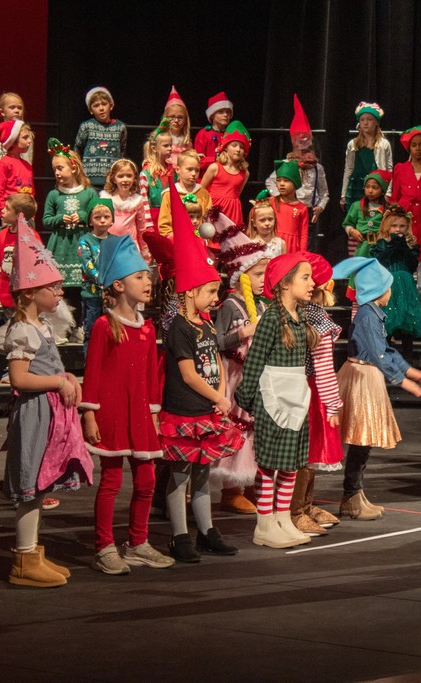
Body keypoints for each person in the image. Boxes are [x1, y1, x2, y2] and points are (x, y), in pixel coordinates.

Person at [0, 216, 92, 587]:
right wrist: (58, 380)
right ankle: (23, 560)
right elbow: (19, 378)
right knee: (29, 487)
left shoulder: (41, 327)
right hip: (33, 415)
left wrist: (65, 379)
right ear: (31, 292)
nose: (61, 293)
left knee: (40, 487)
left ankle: (33, 552)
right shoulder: (23, 331)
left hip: (47, 415)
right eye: (54, 287)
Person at [159, 187, 245, 563]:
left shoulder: (208, 324)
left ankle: (207, 530)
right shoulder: (179, 327)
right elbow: (190, 375)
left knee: (202, 475)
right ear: (190, 292)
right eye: (211, 291)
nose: (216, 298)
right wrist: (219, 397)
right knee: (179, 475)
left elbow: (215, 368)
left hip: (209, 410)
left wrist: (222, 395)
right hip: (185, 410)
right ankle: (180, 536)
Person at [83, 234, 173, 574]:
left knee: (147, 481)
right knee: (111, 481)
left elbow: (152, 378)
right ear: (119, 285)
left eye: (147, 276)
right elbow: (91, 374)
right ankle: (104, 546)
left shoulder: (147, 330)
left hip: (140, 414)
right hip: (112, 413)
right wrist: (89, 415)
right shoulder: (105, 327)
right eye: (139, 277)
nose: (148, 281)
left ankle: (138, 542)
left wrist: (153, 414)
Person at [331, 257, 421, 519]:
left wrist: (411, 371)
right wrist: (405, 382)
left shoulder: (374, 314)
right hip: (361, 378)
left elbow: (387, 350)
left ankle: (355, 493)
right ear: (379, 291)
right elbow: (378, 355)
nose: (392, 292)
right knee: (361, 439)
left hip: (369, 377)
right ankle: (351, 495)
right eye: (389, 287)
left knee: (363, 443)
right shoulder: (367, 315)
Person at [235, 252, 318, 548]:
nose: (312, 283)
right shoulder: (272, 318)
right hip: (273, 399)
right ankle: (265, 523)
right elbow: (255, 362)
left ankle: (283, 518)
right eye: (305, 277)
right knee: (270, 465)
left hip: (295, 396)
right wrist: (247, 399)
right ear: (284, 283)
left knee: (290, 463)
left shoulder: (300, 318)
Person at [213, 225, 272, 515]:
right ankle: (231, 488)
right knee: (237, 431)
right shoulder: (230, 305)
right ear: (241, 276)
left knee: (254, 433)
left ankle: (251, 483)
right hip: (236, 380)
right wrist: (243, 333)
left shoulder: (261, 305)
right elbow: (218, 340)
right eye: (258, 274)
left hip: (255, 380)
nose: (264, 279)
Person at [294, 252, 343, 533]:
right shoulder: (316, 318)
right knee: (308, 450)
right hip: (311, 389)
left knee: (308, 452)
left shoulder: (305, 313)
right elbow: (324, 368)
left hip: (303, 386)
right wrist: (333, 403)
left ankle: (305, 504)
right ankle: (296, 509)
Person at [265, 96, 330, 242]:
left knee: (306, 243)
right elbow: (270, 182)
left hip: (307, 211)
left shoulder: (317, 167)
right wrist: (279, 198)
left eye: (305, 138)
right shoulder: (288, 163)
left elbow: (324, 193)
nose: (302, 142)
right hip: (286, 209)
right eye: (298, 138)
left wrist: (320, 207)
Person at [43, 137, 98, 287]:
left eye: (60, 168)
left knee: (84, 288)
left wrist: (81, 216)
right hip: (60, 246)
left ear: (73, 168)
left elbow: (97, 217)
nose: (57, 173)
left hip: (82, 243)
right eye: (54, 169)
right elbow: (46, 220)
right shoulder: (54, 195)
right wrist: (61, 218)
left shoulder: (89, 193)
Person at [391, 126, 421, 292]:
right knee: (403, 251)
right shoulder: (400, 168)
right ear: (409, 147)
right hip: (405, 214)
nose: (418, 149)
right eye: (414, 145)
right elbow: (395, 196)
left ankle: (420, 294)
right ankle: (402, 290)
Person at [371, 205, 421, 346]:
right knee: (388, 321)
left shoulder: (410, 245)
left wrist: (403, 246)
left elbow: (412, 265)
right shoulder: (381, 244)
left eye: (402, 226)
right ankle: (385, 357)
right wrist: (393, 245)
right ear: (387, 227)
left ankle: (408, 359)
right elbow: (380, 260)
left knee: (408, 321)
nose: (398, 229)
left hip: (406, 285)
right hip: (388, 285)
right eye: (394, 226)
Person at [0, 93, 31, 231]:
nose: (17, 110)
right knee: (0, 226)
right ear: (1, 111)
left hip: (19, 187)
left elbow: (28, 158)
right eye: (12, 107)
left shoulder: (25, 135)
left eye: (20, 108)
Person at [0, 194, 39, 315]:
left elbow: (37, 268)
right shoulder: (2, 235)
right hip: (6, 297)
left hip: (25, 298)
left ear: (18, 216)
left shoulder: (31, 237)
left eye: (7, 208)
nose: (2, 210)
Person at [340, 102, 393, 210]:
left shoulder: (383, 144)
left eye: (369, 119)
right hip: (356, 186)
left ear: (376, 122)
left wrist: (388, 192)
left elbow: (389, 170)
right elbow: (348, 169)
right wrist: (343, 194)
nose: (365, 123)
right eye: (362, 120)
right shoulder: (353, 144)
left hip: (376, 187)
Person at [78, 198, 112, 357]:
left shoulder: (114, 241)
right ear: (90, 221)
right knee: (91, 331)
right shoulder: (85, 240)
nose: (102, 220)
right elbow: (87, 264)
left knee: (111, 332)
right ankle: (90, 368)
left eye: (106, 216)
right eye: (97, 217)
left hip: (112, 295)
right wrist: (102, 280)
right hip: (92, 294)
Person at [100, 158, 153, 262]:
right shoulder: (106, 199)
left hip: (129, 247)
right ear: (114, 179)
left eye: (129, 176)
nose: (125, 179)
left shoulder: (137, 201)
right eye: (120, 176)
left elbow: (141, 228)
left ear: (134, 178)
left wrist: (144, 251)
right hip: (110, 245)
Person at [74, 87, 127, 186]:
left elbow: (122, 151)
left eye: (104, 104)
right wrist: (80, 176)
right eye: (96, 105)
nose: (101, 108)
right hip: (89, 182)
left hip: (111, 182)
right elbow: (77, 150)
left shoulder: (120, 127)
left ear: (111, 106)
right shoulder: (86, 126)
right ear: (90, 110)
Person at [201, 121, 250, 225]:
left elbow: (237, 193)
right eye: (234, 145)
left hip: (233, 212)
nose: (238, 149)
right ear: (226, 147)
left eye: (241, 147)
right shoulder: (215, 167)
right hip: (215, 208)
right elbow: (202, 190)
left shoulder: (244, 173)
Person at [157, 149, 211, 238]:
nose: (194, 174)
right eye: (189, 169)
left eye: (197, 170)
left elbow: (208, 219)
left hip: (199, 242)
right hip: (178, 242)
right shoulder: (170, 194)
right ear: (178, 169)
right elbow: (164, 226)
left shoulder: (203, 194)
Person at [0, 120, 35, 217]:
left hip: (27, 215)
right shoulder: (3, 164)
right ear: (13, 141)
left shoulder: (27, 165)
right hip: (10, 215)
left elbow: (32, 191)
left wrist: (32, 213)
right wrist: (2, 213)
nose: (29, 141)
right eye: (25, 138)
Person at [342, 169, 388, 258]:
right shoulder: (357, 206)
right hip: (360, 245)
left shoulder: (387, 209)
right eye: (367, 187)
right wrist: (352, 231)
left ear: (382, 190)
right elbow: (347, 223)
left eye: (375, 188)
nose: (370, 191)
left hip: (379, 247)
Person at [139, 120, 175, 229]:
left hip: (171, 215)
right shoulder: (146, 174)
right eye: (165, 146)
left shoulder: (173, 171)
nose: (170, 148)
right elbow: (144, 201)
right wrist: (148, 224)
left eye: (170, 145)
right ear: (154, 148)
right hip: (154, 218)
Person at [270, 159, 309, 253]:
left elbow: (303, 234)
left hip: (292, 247)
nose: (282, 184)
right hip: (273, 245)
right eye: (279, 181)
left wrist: (302, 252)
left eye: (286, 181)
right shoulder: (272, 202)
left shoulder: (302, 208)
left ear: (295, 183)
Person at [193, 92, 234, 173]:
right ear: (212, 115)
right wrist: (215, 159)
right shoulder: (204, 134)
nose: (225, 115)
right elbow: (197, 160)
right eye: (221, 112)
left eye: (228, 112)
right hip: (205, 177)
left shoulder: (231, 134)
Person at [161, 86, 192, 168]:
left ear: (186, 119)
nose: (176, 120)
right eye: (172, 117)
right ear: (165, 118)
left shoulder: (187, 142)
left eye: (180, 117)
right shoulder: (160, 139)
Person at [247, 191, 286, 255]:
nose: (267, 223)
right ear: (254, 223)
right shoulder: (250, 244)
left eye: (270, 219)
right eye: (262, 220)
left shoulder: (281, 244)